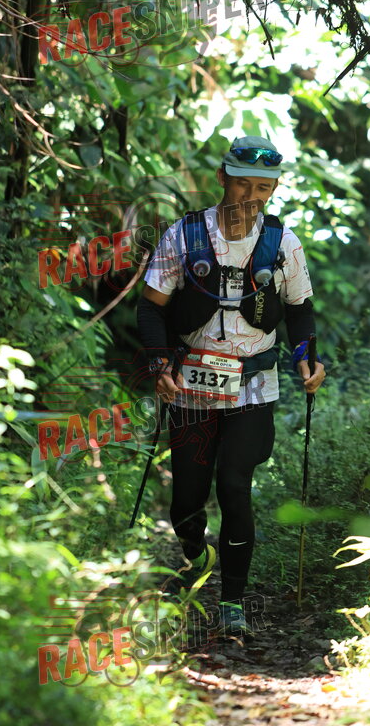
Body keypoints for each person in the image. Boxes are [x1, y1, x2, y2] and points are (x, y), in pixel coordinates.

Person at [136, 135, 325, 636]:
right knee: (188, 496)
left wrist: (307, 358)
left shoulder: (283, 244)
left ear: (274, 189)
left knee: (235, 485)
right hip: (193, 382)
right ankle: (196, 555)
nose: (251, 196)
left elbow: (301, 312)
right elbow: (151, 308)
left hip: (254, 383)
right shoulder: (184, 236)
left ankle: (233, 599)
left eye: (263, 188)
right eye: (242, 184)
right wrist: (160, 363)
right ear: (222, 178)